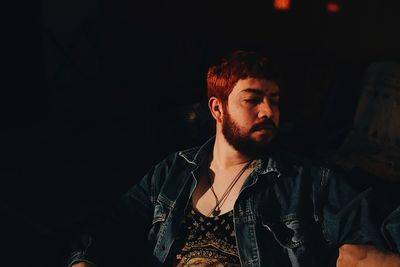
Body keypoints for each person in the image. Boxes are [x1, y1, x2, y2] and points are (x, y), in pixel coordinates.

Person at [68, 51, 400, 267]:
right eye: (253, 100)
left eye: (275, 101)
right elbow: (112, 224)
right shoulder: (173, 171)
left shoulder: (307, 181)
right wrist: (84, 262)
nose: (269, 111)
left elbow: (380, 221)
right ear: (217, 108)